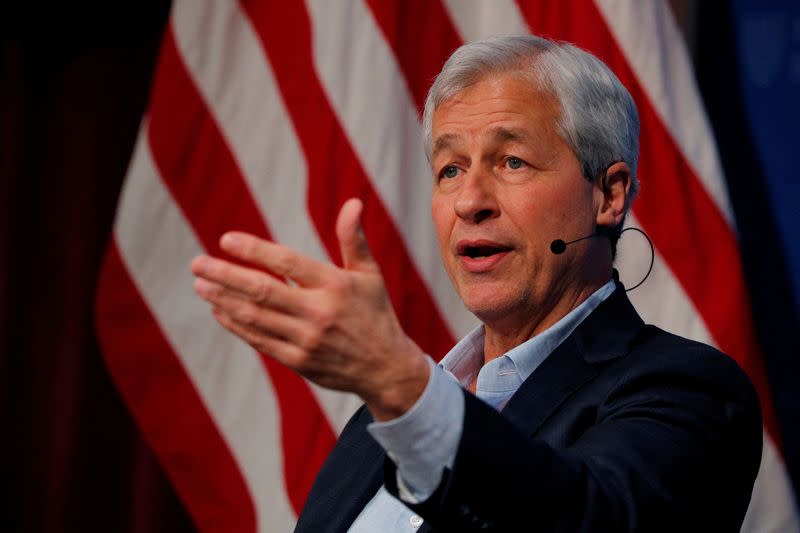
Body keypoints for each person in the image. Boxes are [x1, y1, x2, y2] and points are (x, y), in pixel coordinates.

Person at [190, 35, 762, 532]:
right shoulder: (379, 422)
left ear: (608, 194)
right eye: (450, 170)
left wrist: (402, 389)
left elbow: (590, 518)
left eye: (512, 162)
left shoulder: (689, 391)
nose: (469, 202)